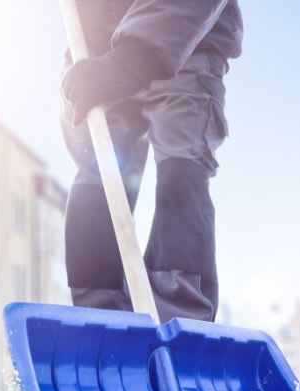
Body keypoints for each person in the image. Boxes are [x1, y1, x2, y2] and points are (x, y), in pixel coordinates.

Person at [60, 0, 242, 322]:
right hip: (95, 46)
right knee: (100, 171)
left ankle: (179, 319)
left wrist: (132, 60)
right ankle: (99, 321)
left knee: (181, 162)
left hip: (187, 40)